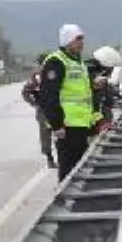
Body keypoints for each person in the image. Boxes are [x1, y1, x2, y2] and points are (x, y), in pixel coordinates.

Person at [39, 24, 99, 181]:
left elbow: (83, 94)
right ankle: (64, 202)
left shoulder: (79, 63)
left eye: (82, 39)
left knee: (80, 169)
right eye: (77, 39)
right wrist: (57, 124)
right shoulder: (56, 61)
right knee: (68, 172)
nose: (81, 43)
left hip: (82, 125)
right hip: (67, 127)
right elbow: (48, 95)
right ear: (67, 40)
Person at [21, 53, 56, 169]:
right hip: (44, 111)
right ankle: (50, 158)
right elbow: (26, 91)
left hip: (56, 108)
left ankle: (55, 158)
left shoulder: (55, 73)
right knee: (46, 135)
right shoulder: (37, 76)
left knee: (56, 134)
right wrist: (34, 103)